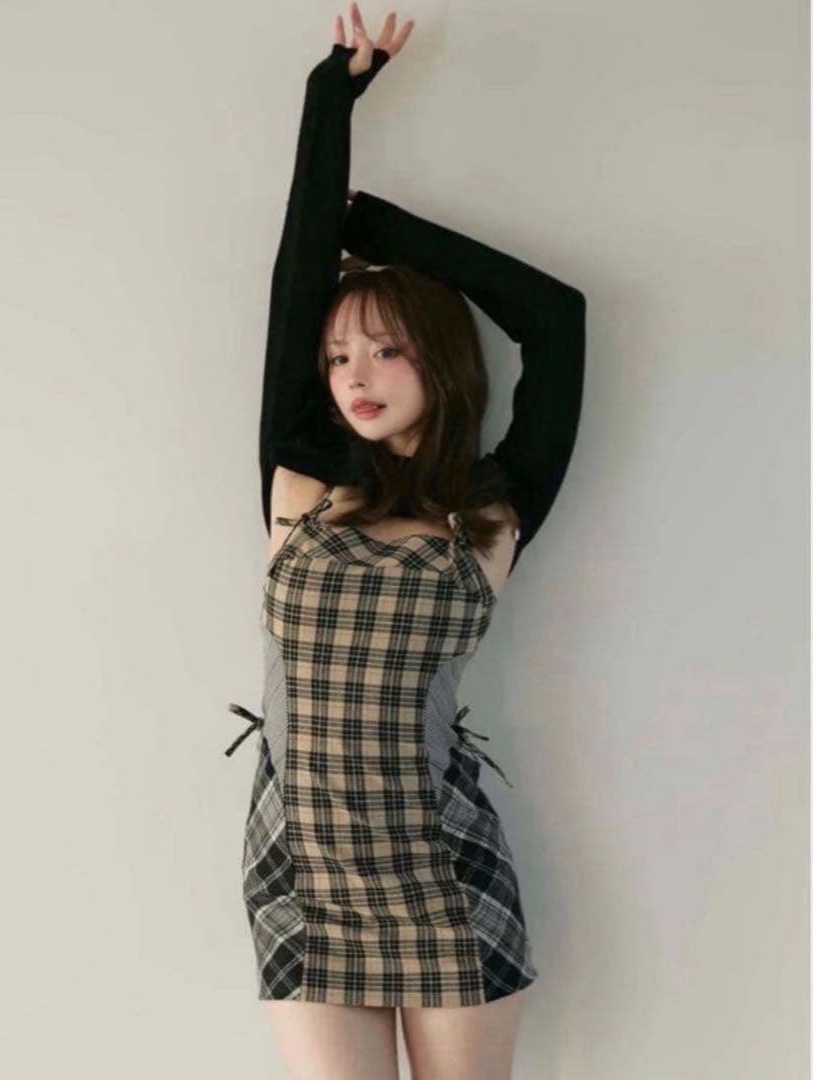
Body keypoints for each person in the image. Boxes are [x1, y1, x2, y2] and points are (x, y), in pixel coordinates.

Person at [225, 6, 586, 1078]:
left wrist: (381, 234)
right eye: (339, 357)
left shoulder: (490, 512)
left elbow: (555, 318)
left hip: (445, 872)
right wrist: (329, 100)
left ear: (440, 360)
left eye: (385, 349)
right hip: (301, 877)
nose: (355, 376)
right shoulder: (300, 481)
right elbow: (296, 280)